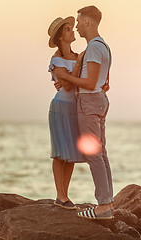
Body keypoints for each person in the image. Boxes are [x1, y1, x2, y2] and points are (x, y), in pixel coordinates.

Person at [53, 6, 114, 220]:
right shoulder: (102, 46)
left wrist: (66, 78)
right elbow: (103, 81)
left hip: (89, 102)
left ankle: (104, 206)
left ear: (87, 22)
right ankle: (107, 202)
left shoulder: (94, 48)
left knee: (93, 154)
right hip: (98, 100)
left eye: (78, 22)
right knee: (101, 153)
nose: (77, 26)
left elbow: (89, 83)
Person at [47, 16, 86, 210]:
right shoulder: (56, 59)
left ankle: (65, 194)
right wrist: (77, 65)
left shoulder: (78, 55)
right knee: (60, 152)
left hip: (75, 108)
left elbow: (86, 81)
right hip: (60, 106)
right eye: (68, 29)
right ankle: (59, 195)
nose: (72, 31)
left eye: (72, 28)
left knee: (70, 152)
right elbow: (69, 85)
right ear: (61, 36)